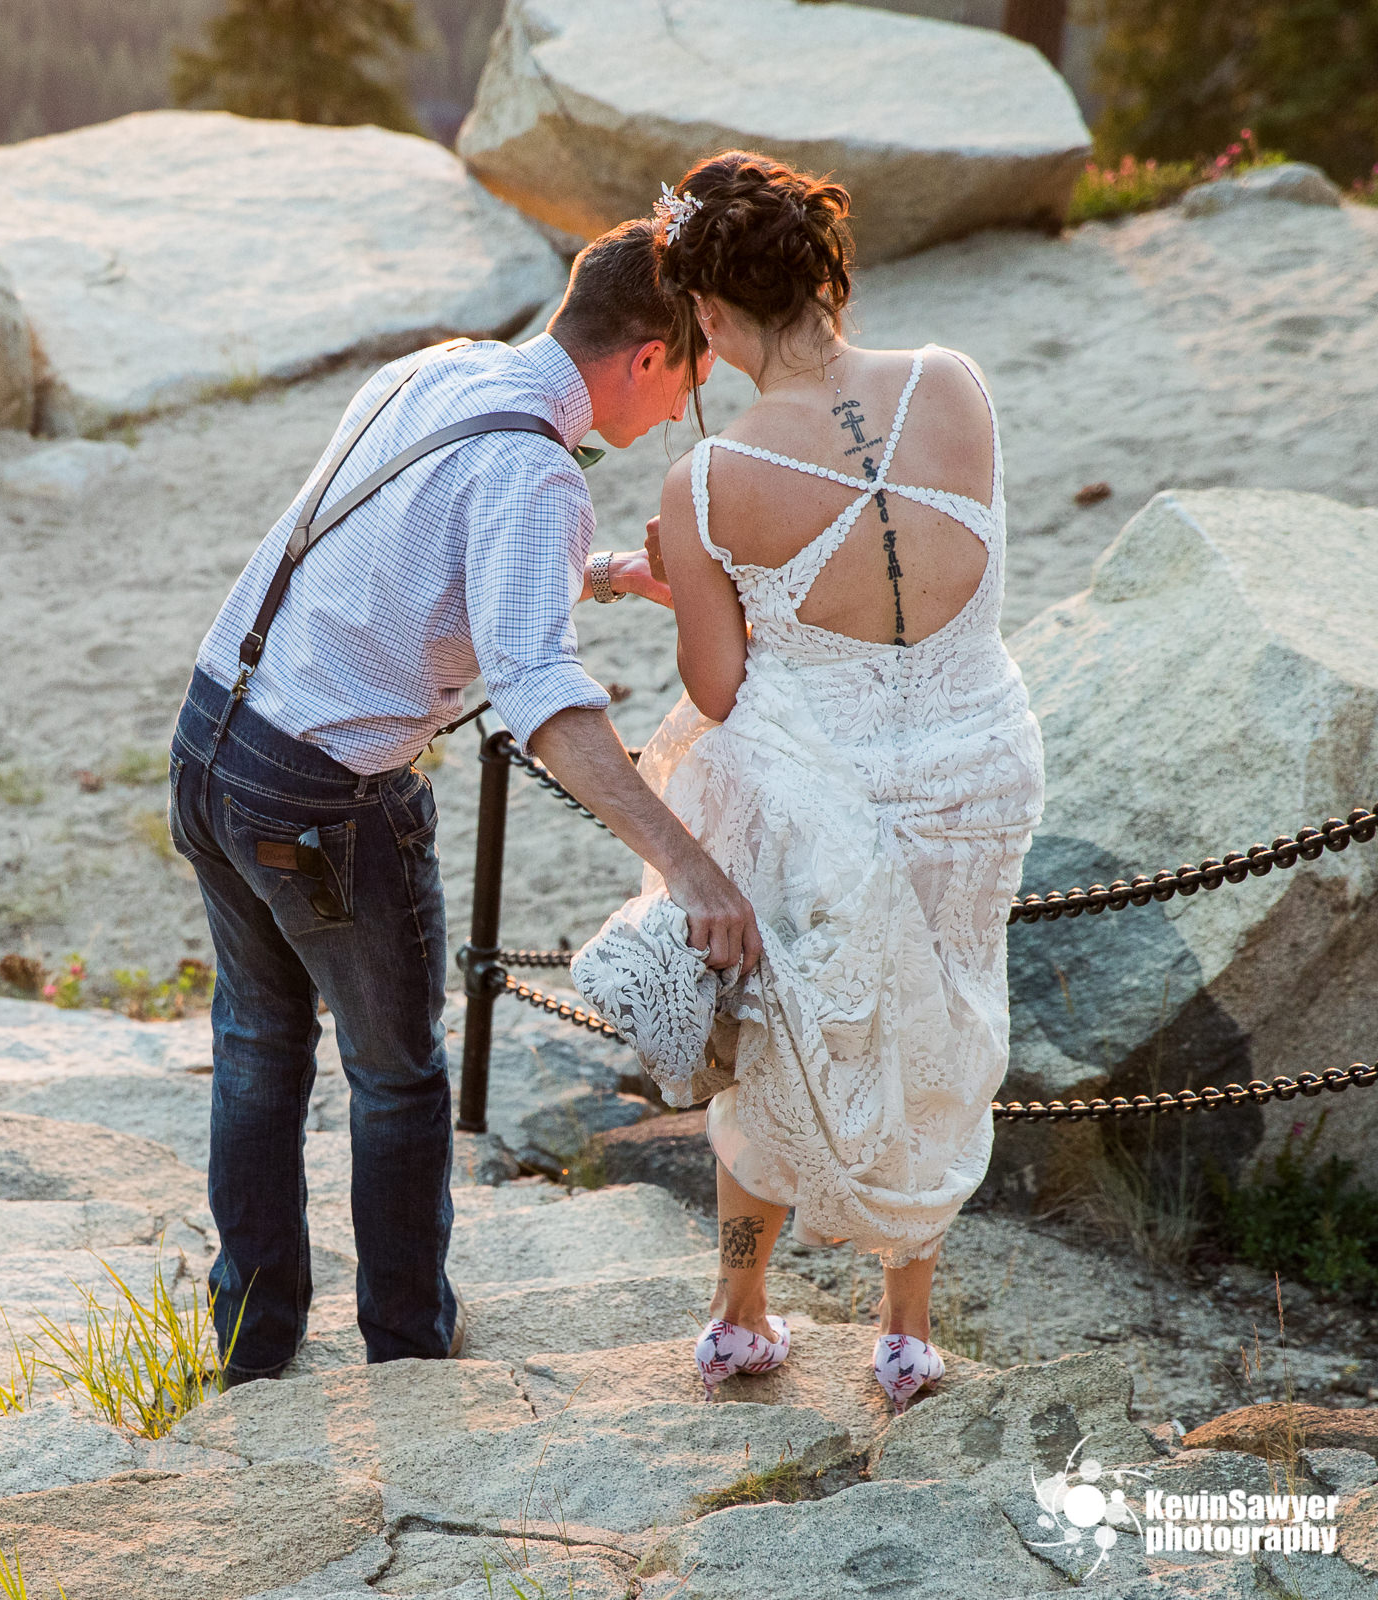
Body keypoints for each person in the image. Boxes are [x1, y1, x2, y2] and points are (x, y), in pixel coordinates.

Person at [168, 220, 762, 1386]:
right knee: (395, 1076)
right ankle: (407, 1350)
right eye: (692, 379)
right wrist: (692, 868)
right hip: (322, 797)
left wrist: (594, 575)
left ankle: (251, 1348)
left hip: (210, 735)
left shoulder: (438, 368)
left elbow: (398, 544)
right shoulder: (540, 471)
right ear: (647, 356)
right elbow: (542, 698)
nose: (683, 405)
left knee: (255, 1046)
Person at [612, 151, 1045, 1413]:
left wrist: (676, 580)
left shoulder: (705, 482)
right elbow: (905, 568)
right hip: (976, 772)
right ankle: (905, 1333)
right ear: (821, 270)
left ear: (709, 314)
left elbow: (720, 688)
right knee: (945, 1022)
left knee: (773, 1042)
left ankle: (741, 1312)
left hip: (830, 803)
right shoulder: (952, 382)